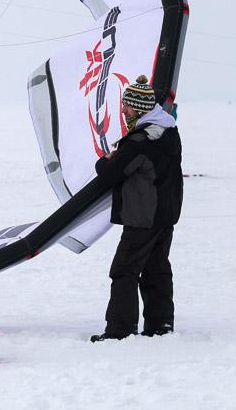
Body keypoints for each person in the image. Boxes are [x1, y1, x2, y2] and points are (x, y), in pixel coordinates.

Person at [90, 75, 183, 342]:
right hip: (166, 215)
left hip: (143, 217)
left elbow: (111, 175)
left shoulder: (140, 141)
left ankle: (120, 330)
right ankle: (160, 324)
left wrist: (105, 161)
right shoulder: (169, 131)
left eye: (127, 106)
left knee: (124, 271)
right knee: (156, 269)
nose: (123, 110)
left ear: (141, 108)